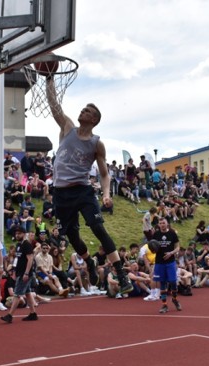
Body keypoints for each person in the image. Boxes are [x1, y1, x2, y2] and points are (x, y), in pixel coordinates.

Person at [46, 78, 132, 295]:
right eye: (83, 108)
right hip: (61, 192)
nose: (82, 111)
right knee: (72, 236)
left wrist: (105, 195)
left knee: (97, 227)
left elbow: (104, 173)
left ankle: (120, 273)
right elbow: (53, 103)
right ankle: (89, 263)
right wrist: (49, 79)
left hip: (82, 189)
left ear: (94, 119)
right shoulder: (67, 127)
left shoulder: (96, 143)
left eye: (87, 110)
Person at [1, 226, 38, 323]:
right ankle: (33, 313)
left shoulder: (27, 245)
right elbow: (17, 259)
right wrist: (14, 269)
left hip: (25, 274)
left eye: (19, 233)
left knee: (17, 294)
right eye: (16, 233)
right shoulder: (18, 245)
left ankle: (10, 315)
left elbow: (30, 259)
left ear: (24, 234)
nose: (17, 235)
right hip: (19, 272)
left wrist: (26, 273)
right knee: (28, 293)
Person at [150, 217, 181, 313]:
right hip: (159, 262)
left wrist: (171, 253)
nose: (162, 224)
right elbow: (152, 247)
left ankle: (175, 299)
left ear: (167, 223)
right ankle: (164, 305)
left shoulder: (172, 233)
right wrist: (153, 249)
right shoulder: (156, 234)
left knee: (173, 282)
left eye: (163, 223)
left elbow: (178, 247)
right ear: (158, 224)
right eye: (160, 223)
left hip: (170, 262)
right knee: (162, 283)